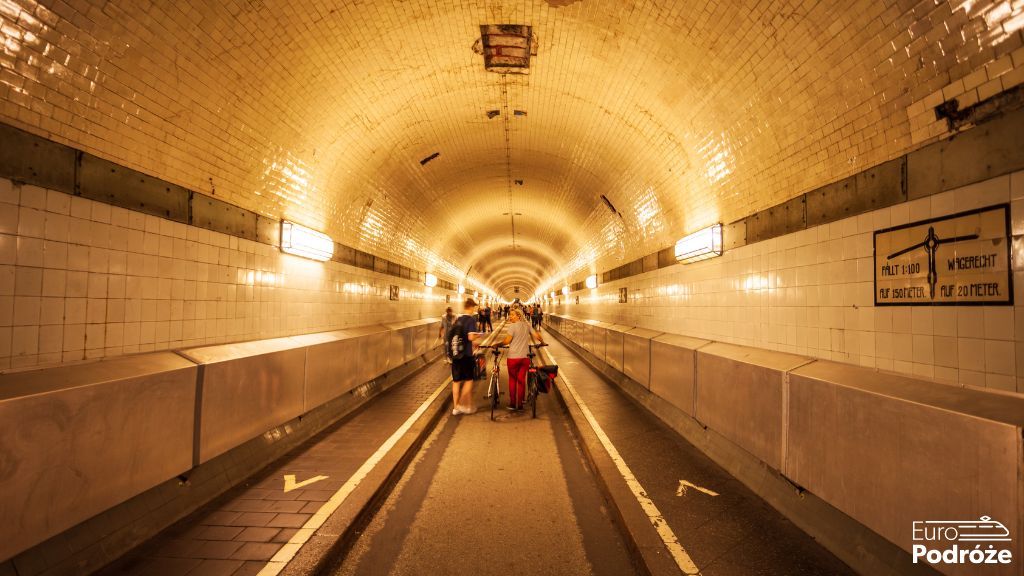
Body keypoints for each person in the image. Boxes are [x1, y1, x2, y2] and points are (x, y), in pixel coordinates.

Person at [501, 307, 544, 411]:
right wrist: (542, 342)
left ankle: (512, 403)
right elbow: (537, 336)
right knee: (521, 380)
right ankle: (520, 405)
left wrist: (498, 344)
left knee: (512, 380)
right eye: (510, 315)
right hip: (524, 357)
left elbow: (507, 341)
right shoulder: (527, 325)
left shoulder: (512, 327)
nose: (510, 317)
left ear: (518, 316)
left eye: (512, 315)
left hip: (513, 358)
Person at [448, 298, 484, 415]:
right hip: (466, 355)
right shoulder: (471, 320)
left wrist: (473, 343)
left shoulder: (457, 319)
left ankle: (456, 408)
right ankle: (462, 405)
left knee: (456, 381)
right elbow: (470, 337)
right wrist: (479, 335)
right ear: (471, 307)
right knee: (469, 380)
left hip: (455, 354)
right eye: (474, 307)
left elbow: (459, 337)